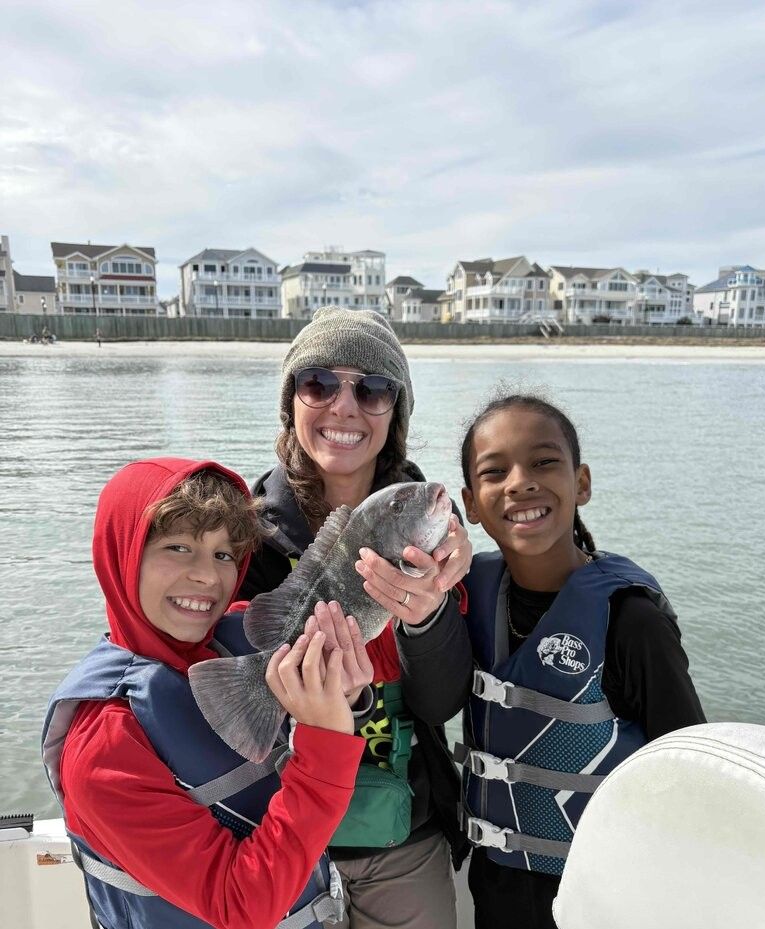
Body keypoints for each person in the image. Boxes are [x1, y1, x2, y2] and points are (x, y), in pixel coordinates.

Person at [42, 457, 371, 929]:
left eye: (223, 555)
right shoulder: (103, 748)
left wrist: (348, 696)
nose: (207, 577)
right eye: (178, 547)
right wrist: (325, 740)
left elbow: (370, 654)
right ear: (121, 553)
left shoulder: (235, 640)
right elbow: (238, 905)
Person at [420, 393, 706, 929]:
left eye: (544, 462)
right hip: (496, 885)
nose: (520, 482)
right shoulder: (466, 595)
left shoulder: (631, 619)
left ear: (582, 483)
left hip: (605, 891)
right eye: (495, 471)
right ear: (471, 504)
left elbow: (688, 768)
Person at [238, 307, 473, 929]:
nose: (344, 406)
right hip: (274, 825)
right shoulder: (240, 532)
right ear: (292, 402)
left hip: (402, 829)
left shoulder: (439, 540)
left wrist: (428, 617)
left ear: (395, 414)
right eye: (319, 384)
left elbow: (441, 702)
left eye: (373, 390)